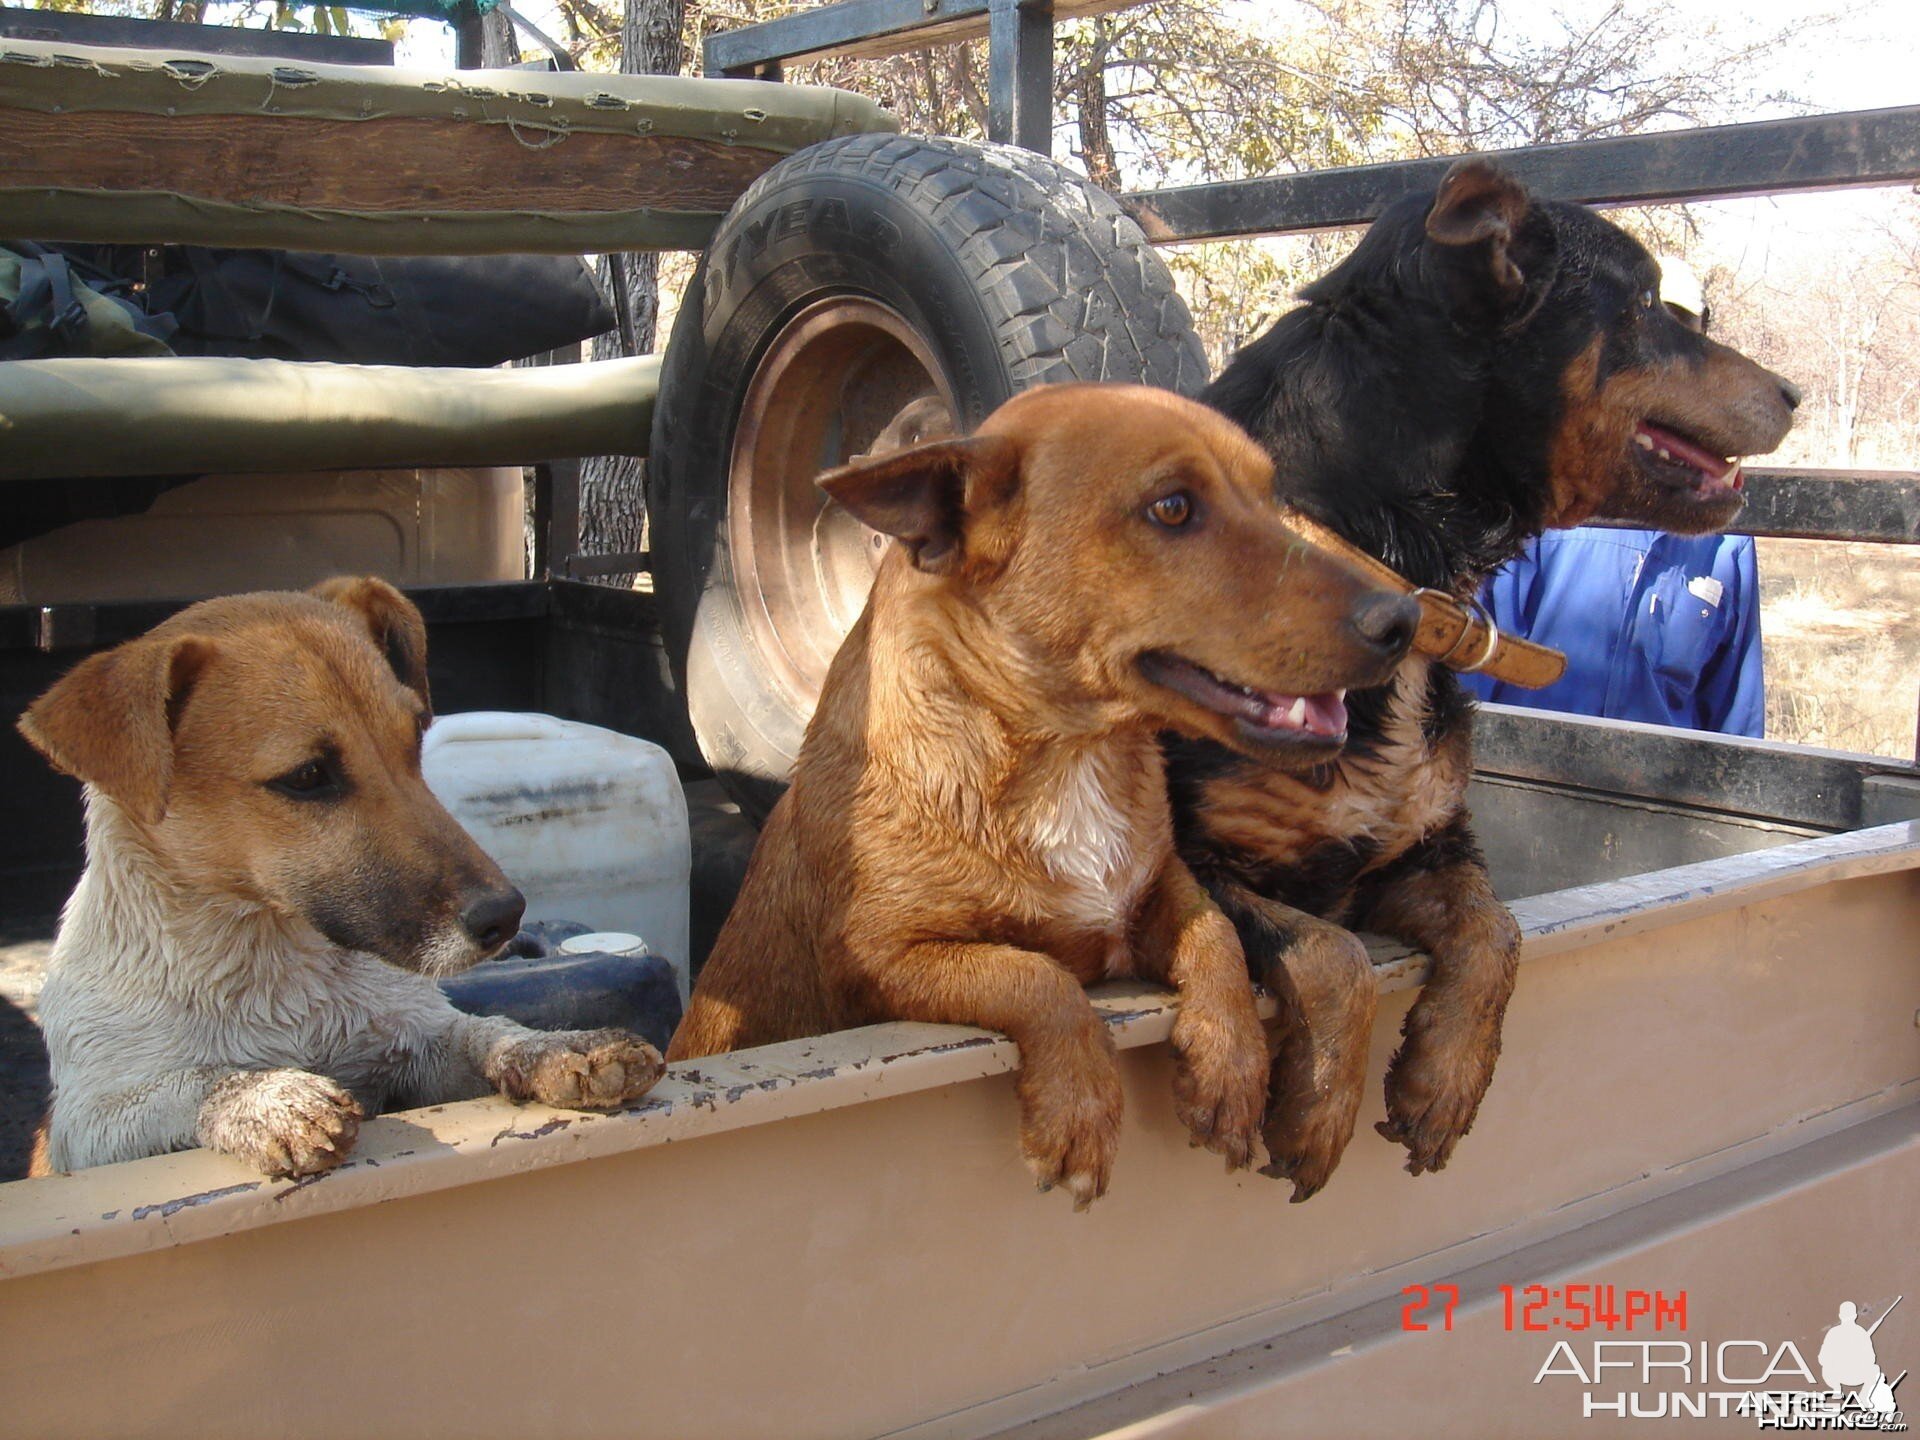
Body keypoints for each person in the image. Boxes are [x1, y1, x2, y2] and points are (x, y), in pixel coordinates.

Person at [1460, 256, 1765, 737]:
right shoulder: (1548, 493)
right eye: (1647, 329)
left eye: (1683, 332)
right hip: (1525, 779)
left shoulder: (1721, 529)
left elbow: (1734, 707)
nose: (1665, 357)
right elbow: (1468, 663)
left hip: (1661, 796)